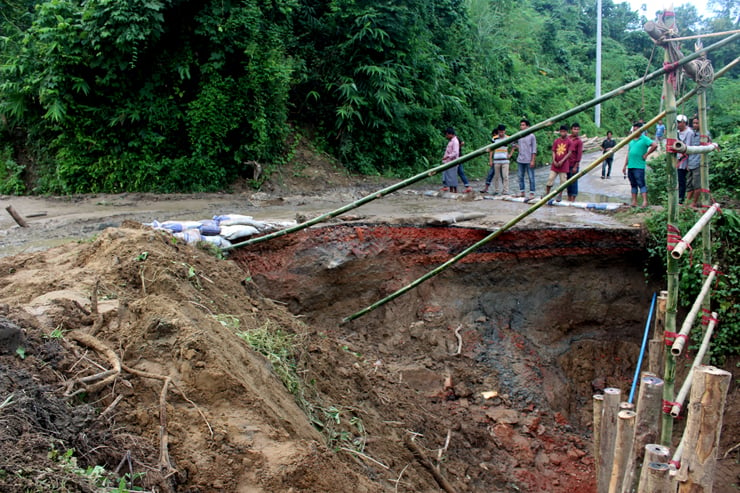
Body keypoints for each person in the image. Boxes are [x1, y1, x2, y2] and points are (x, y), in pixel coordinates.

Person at [623, 121, 658, 207]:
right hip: (631, 165)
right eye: (634, 130)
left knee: (641, 183)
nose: (634, 131)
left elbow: (654, 145)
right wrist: (625, 165)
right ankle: (634, 202)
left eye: (636, 130)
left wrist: (647, 154)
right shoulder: (631, 141)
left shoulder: (644, 139)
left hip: (639, 166)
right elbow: (628, 153)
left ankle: (645, 201)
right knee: (633, 184)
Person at [685, 117, 711, 207]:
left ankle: (694, 202)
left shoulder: (705, 134)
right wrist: (688, 163)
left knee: (697, 184)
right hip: (691, 162)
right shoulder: (693, 133)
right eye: (694, 123)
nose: (695, 125)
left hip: (699, 163)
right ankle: (687, 202)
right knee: (689, 184)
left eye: (697, 123)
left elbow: (708, 146)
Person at [546, 125, 572, 201]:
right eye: (561, 131)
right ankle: (547, 194)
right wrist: (554, 160)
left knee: (563, 181)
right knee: (550, 178)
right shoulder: (556, 141)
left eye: (564, 131)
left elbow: (569, 153)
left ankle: (559, 195)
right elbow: (553, 151)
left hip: (564, 165)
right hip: (555, 165)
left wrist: (562, 161)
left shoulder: (569, 142)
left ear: (567, 132)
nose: (563, 133)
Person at [482, 125, 511, 194]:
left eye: (502, 132)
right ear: (498, 131)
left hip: (505, 160)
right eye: (500, 132)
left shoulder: (508, 138)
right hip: (496, 159)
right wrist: (490, 160)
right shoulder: (494, 139)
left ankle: (505, 191)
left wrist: (510, 154)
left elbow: (514, 145)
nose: (501, 133)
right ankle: (496, 190)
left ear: (504, 131)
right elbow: (491, 149)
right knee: (496, 176)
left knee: (505, 176)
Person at [514, 119, 537, 200]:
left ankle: (532, 192)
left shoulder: (532, 136)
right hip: (520, 159)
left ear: (528, 126)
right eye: (521, 125)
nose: (522, 127)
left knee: (531, 177)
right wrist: (517, 146)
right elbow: (512, 141)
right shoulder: (519, 135)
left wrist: (533, 160)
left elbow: (534, 149)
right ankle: (522, 192)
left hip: (529, 159)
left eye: (523, 125)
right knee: (520, 176)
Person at [675, 114, 693, 204]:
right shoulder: (677, 132)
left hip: (685, 160)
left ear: (683, 122)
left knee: (684, 181)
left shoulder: (689, 132)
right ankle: (679, 198)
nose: (677, 124)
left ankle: (682, 200)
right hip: (679, 159)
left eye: (678, 122)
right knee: (680, 180)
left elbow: (688, 147)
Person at [566, 122, 583, 202]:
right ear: (571, 130)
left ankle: (573, 199)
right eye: (574, 129)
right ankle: (569, 197)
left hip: (574, 164)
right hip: (567, 163)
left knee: (574, 181)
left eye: (577, 129)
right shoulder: (567, 138)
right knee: (568, 181)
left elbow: (579, 154)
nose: (576, 131)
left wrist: (576, 165)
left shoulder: (579, 141)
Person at [441, 127, 460, 193]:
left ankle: (455, 192)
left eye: (447, 135)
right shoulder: (452, 141)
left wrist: (447, 157)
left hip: (452, 162)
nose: (446, 136)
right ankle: (451, 191)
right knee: (450, 178)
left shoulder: (455, 141)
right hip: (449, 162)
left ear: (450, 134)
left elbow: (455, 152)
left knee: (453, 178)